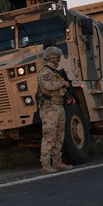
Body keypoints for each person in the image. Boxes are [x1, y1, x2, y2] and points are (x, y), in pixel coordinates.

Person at [37, 46, 75, 174]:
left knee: (59, 135)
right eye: (57, 57)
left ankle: (57, 162)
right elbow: (48, 86)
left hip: (59, 105)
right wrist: (62, 83)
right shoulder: (45, 72)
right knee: (49, 136)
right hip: (50, 108)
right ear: (54, 58)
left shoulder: (55, 73)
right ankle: (45, 164)